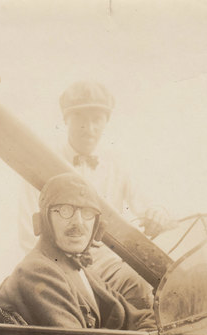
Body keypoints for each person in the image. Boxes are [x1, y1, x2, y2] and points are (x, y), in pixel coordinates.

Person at [18, 80, 174, 310]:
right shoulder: (42, 165)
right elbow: (27, 234)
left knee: (139, 290)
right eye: (80, 118)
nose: (88, 128)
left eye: (96, 119)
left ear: (106, 122)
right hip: (57, 265)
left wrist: (158, 213)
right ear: (66, 120)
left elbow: (150, 206)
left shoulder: (117, 164)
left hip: (108, 266)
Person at [0, 173, 156, 331]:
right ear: (46, 219)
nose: (78, 223)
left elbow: (139, 317)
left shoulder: (79, 269)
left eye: (87, 213)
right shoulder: (38, 270)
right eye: (66, 210)